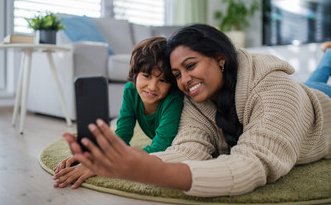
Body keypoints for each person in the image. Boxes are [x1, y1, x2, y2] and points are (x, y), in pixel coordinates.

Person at [61, 24, 331, 197]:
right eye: (177, 73)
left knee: (315, 86)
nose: (184, 80)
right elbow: (188, 148)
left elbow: (253, 163)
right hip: (303, 92)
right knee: (312, 81)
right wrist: (118, 161)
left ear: (220, 59)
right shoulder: (194, 100)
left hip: (321, 108)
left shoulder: (274, 87)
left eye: (191, 66)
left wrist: (146, 171)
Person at [53, 37, 184, 189]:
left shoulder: (173, 99)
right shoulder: (131, 90)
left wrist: (104, 164)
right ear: (136, 74)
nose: (152, 87)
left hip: (178, 148)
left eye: (162, 80)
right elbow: (122, 135)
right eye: (146, 76)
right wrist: (95, 156)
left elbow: (160, 149)